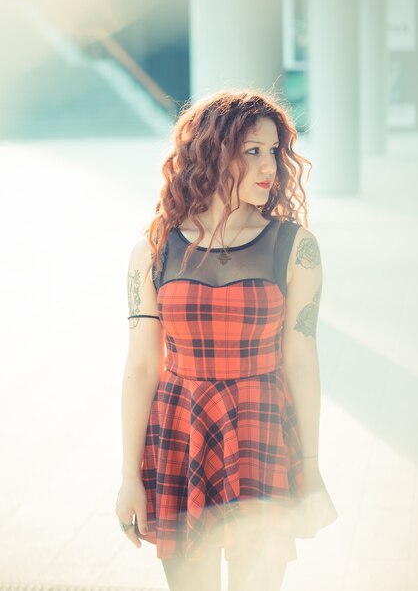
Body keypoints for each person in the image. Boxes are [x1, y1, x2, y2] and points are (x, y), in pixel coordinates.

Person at [115, 90, 338, 591]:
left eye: (275, 151)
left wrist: (310, 465)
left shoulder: (295, 247)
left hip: (261, 430)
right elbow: (142, 368)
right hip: (179, 433)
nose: (270, 166)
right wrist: (129, 476)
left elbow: (301, 359)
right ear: (213, 152)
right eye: (252, 150)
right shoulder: (154, 247)